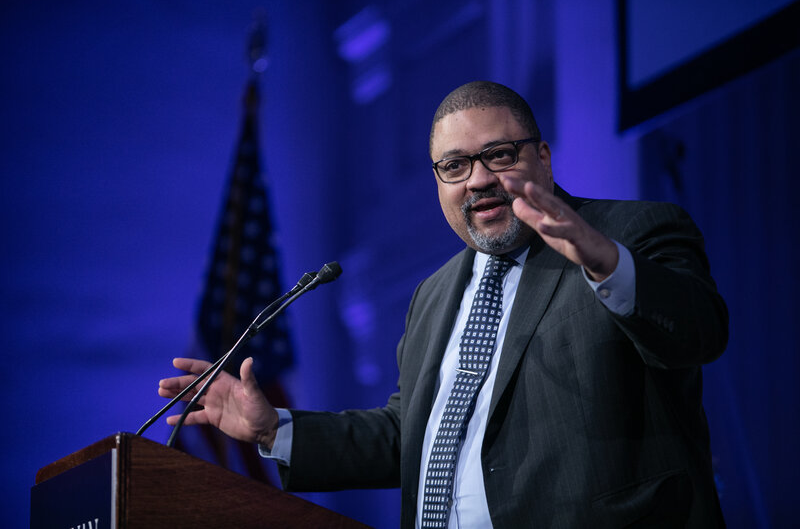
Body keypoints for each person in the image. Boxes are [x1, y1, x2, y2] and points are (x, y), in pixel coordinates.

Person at [159, 81, 728, 528]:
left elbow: (697, 333)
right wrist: (274, 431)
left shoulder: (632, 232)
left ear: (544, 158)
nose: (477, 180)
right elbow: (410, 433)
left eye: (498, 155)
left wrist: (603, 260)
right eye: (454, 166)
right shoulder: (433, 295)